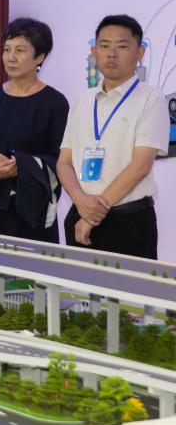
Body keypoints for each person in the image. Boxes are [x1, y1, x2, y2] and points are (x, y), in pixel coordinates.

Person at [57, 14, 170, 259]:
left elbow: (140, 166)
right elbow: (64, 161)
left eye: (122, 46)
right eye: (104, 46)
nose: (111, 54)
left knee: (129, 285)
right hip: (79, 215)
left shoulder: (151, 98)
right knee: (79, 284)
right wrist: (80, 200)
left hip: (128, 220)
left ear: (140, 53)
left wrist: (92, 215)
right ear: (94, 51)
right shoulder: (82, 100)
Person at [0, 18, 69, 242]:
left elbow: (60, 159)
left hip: (31, 208)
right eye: (7, 49)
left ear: (40, 57)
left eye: (20, 50)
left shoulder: (55, 103)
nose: (10, 57)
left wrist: (19, 167)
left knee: (29, 263)